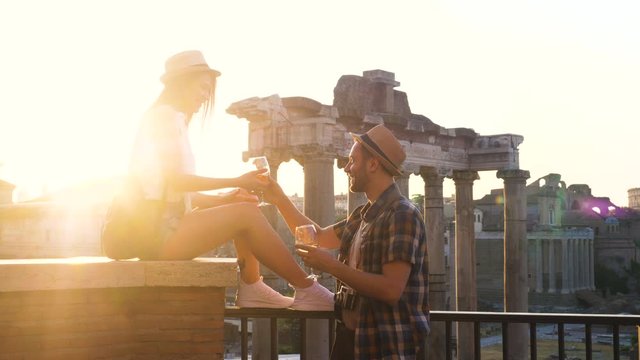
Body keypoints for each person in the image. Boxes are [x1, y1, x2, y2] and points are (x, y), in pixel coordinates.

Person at [121, 50, 334, 310]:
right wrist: (236, 180)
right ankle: (305, 288)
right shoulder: (165, 117)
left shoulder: (167, 117)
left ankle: (252, 285)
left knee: (244, 205)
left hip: (160, 228)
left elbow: (169, 191)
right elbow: (175, 181)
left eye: (208, 89)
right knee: (246, 214)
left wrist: (226, 197)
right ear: (183, 83)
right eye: (202, 87)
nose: (205, 96)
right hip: (155, 234)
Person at [264, 124, 430, 359]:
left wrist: (330, 266)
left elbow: (391, 289)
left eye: (352, 161)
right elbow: (319, 236)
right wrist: (279, 198)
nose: (346, 168)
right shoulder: (363, 214)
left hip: (387, 345)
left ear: (373, 165)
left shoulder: (403, 214)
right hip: (351, 339)